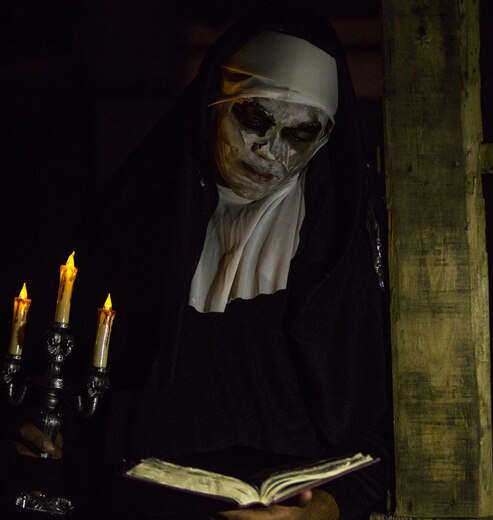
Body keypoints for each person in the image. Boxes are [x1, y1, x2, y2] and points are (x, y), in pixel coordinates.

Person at [9, 4, 390, 519]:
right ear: (216, 102)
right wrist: (44, 429)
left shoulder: (349, 245)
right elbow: (80, 384)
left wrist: (331, 505)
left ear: (325, 139)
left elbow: (389, 417)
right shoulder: (136, 220)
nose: (270, 151)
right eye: (254, 119)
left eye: (300, 134)